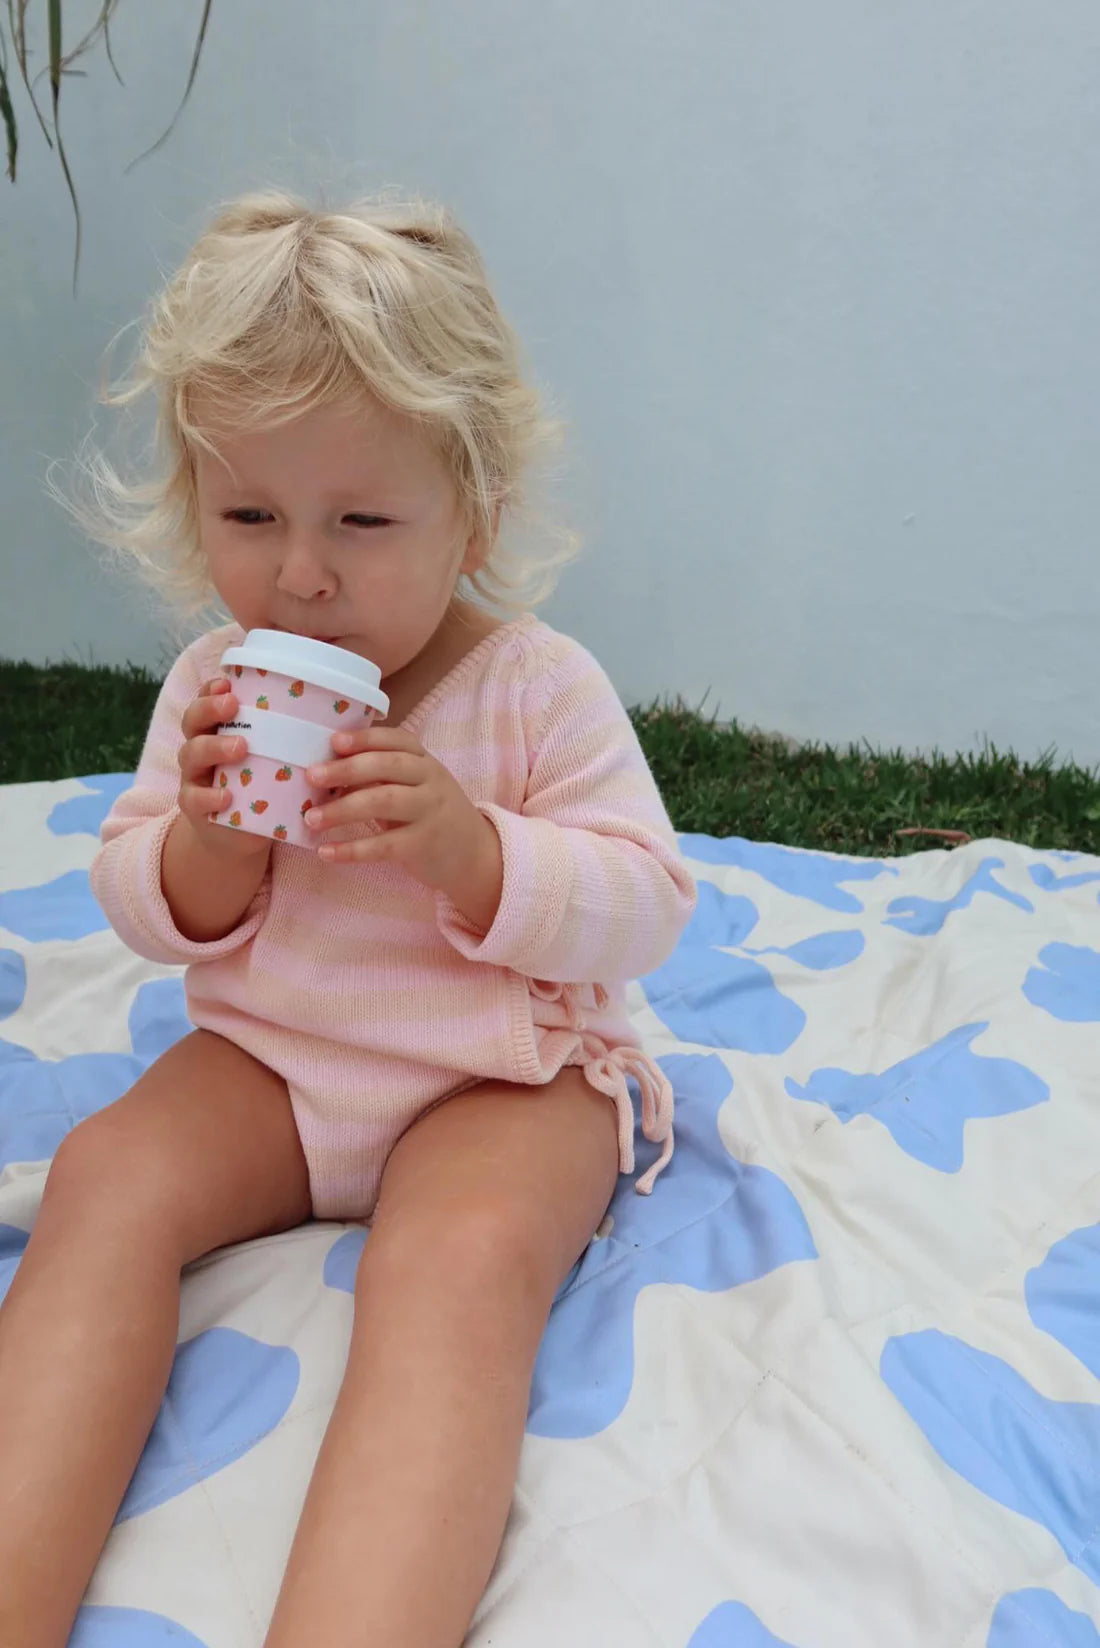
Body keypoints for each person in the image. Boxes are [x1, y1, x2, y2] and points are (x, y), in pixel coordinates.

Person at [0, 189, 696, 1647]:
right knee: (107, 1177)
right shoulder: (216, 687)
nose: (300, 572)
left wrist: (473, 850)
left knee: (453, 1265)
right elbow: (145, 903)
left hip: (498, 1071)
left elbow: (643, 905)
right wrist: (204, 837)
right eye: (249, 515)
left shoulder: (532, 685)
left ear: (476, 511)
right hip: (279, 1058)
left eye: (362, 521)